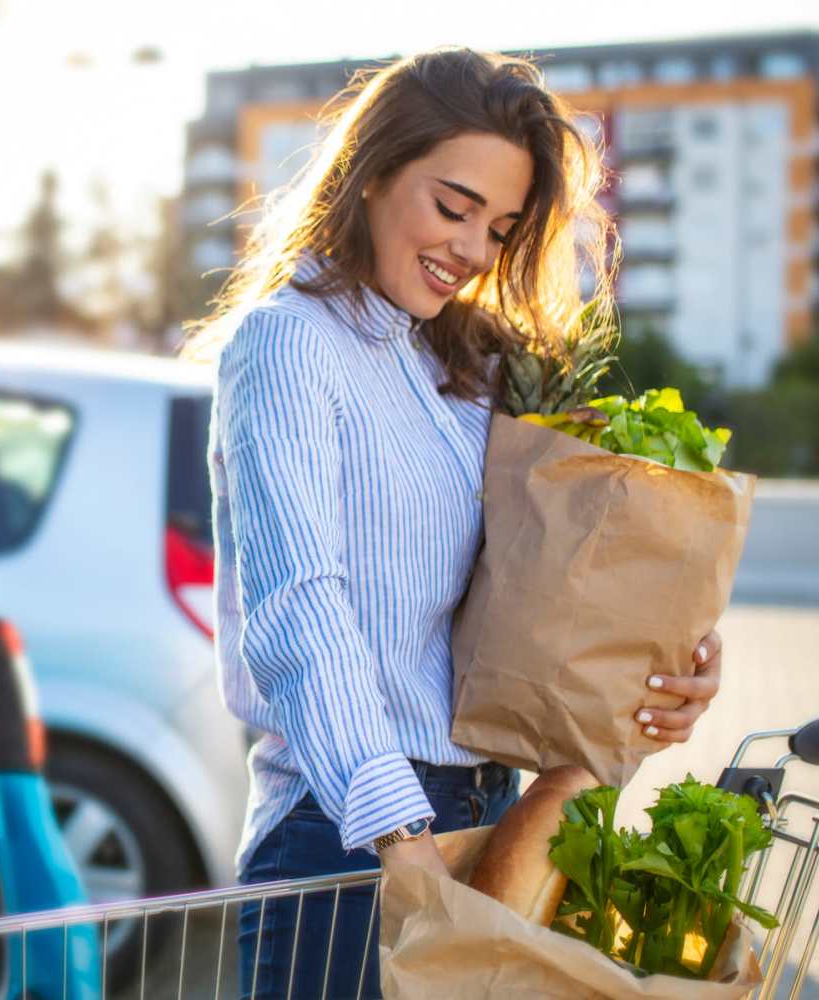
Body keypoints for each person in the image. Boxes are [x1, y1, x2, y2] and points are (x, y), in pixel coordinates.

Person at [185, 47, 724, 999]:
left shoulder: (464, 373)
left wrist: (660, 669)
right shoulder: (288, 344)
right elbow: (298, 607)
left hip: (489, 812)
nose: (474, 250)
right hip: (351, 841)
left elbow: (535, 592)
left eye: (502, 227)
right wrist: (401, 835)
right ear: (371, 173)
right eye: (453, 206)